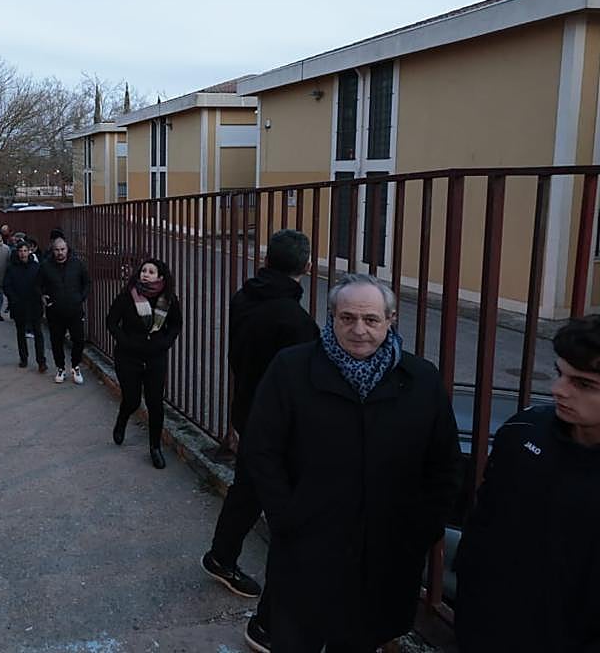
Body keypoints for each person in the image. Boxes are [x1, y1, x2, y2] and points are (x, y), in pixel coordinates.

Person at [242, 274, 461, 653]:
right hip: (308, 547)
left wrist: (420, 530)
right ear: (332, 317)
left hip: (386, 553)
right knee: (296, 637)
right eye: (347, 318)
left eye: (371, 319)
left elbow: (443, 464)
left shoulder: (421, 379)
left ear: (390, 319)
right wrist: (286, 515)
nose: (359, 329)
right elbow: (262, 449)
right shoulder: (291, 369)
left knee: (362, 640)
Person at [453, 316, 600, 652]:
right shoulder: (524, 431)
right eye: (561, 373)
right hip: (490, 631)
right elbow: (483, 524)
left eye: (584, 384)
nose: (558, 389)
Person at [203, 230, 320, 646]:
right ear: (306, 267)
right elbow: (304, 383)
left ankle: (221, 556)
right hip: (280, 425)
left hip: (248, 408)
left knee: (249, 489)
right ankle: (272, 617)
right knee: (287, 510)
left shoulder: (246, 295)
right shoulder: (296, 321)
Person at [105, 257, 182, 469]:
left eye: (151, 271)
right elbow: (111, 322)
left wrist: (164, 343)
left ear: (160, 276)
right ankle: (122, 420)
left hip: (155, 357)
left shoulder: (168, 299)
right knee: (132, 400)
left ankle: (155, 448)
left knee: (155, 403)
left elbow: (176, 325)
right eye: (143, 271)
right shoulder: (127, 296)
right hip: (128, 357)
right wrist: (126, 341)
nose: (145, 274)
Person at [39, 236, 91, 384]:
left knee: (79, 341)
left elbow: (87, 282)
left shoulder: (77, 264)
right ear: (53, 250)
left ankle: (75, 366)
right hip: (55, 311)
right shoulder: (45, 266)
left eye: (62, 249)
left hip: (75, 310)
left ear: (67, 249)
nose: (60, 252)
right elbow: (38, 285)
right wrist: (43, 296)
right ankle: (60, 368)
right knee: (56, 341)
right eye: (57, 250)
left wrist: (81, 298)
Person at [3, 241, 47, 372]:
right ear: (17, 252)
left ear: (29, 252)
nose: (23, 254)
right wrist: (14, 299)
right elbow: (7, 285)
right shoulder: (12, 268)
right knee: (20, 333)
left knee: (38, 333)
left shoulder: (36, 267)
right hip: (19, 306)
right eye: (20, 251)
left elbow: (43, 284)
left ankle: (41, 361)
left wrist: (41, 295)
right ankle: (24, 358)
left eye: (25, 251)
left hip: (34, 305)